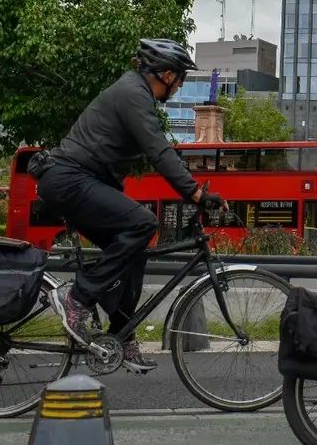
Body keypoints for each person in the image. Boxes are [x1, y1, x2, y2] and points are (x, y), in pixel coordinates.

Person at [31, 38, 224, 372]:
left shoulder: (134, 92)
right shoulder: (133, 94)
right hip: (69, 178)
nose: (179, 86)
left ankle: (121, 332)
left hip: (79, 180)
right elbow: (159, 151)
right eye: (179, 78)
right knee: (143, 222)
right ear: (165, 74)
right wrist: (195, 194)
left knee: (134, 251)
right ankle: (77, 297)